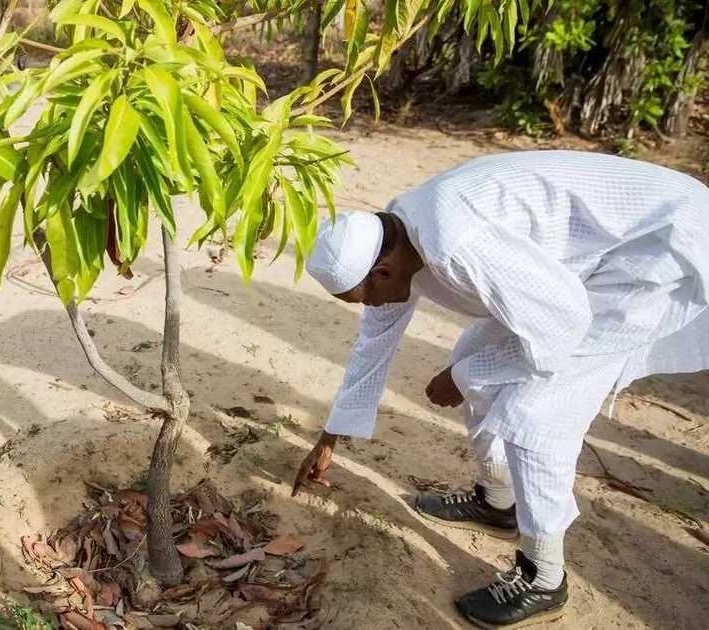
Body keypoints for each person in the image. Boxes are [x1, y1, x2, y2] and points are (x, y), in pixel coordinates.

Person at [292, 150, 709, 628]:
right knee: (472, 357)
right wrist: (331, 435)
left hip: (657, 249)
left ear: (382, 272)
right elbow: (375, 341)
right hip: (587, 269)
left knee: (537, 414)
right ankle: (497, 501)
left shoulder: (454, 243)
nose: (367, 306)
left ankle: (543, 577)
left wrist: (463, 377)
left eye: (362, 297)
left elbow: (565, 325)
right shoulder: (393, 235)